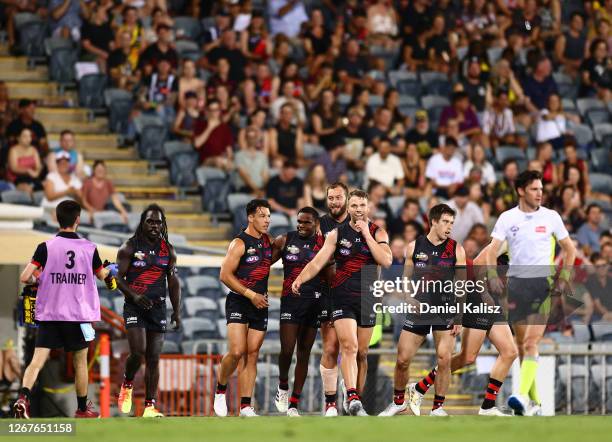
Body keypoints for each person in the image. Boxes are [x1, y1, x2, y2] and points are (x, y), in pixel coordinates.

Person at [292, 189, 392, 416]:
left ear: (368, 208)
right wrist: (300, 278)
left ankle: (355, 398)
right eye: (354, 206)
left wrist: (366, 234)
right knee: (349, 346)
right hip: (342, 295)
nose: (358, 210)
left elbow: (386, 260)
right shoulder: (336, 234)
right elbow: (318, 262)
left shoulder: (378, 232)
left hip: (368, 296)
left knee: (362, 353)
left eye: (362, 206)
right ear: (349, 208)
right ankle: (353, 397)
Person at [13, 200, 116, 419]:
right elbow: (103, 275)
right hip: (77, 316)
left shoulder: (46, 247)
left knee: (37, 360)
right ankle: (81, 409)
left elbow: (24, 277)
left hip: (50, 314)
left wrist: (41, 280)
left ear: (57, 219)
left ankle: (23, 398)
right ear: (78, 219)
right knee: (80, 363)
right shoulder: (89, 249)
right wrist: (111, 270)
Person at [486, 170, 575, 416]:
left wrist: (564, 277)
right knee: (522, 347)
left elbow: (570, 250)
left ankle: (521, 395)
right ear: (521, 191)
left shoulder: (551, 217)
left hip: (542, 285)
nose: (540, 193)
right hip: (516, 285)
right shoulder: (507, 218)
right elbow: (492, 251)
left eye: (541, 189)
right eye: (535, 189)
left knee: (531, 342)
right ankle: (535, 403)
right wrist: (493, 276)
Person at [408, 240, 518, 416]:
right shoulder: (506, 242)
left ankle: (488, 406)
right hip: (478, 296)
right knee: (468, 357)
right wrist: (484, 293)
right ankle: (419, 387)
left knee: (510, 352)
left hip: (493, 300)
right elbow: (477, 265)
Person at [379, 204, 465, 417]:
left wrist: (460, 315)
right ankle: (399, 402)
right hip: (419, 310)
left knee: (444, 358)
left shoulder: (457, 249)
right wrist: (409, 297)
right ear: (433, 221)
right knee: (402, 359)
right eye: (445, 221)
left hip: (445, 309)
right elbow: (406, 279)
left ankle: (438, 407)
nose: (449, 227)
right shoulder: (414, 247)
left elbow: (462, 284)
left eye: (452, 223)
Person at [116, 204, 181, 418]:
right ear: (142, 223)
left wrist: (177, 311)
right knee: (138, 352)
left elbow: (173, 283)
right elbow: (117, 277)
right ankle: (127, 382)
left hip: (158, 309)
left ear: (163, 224)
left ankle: (150, 406)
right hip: (134, 306)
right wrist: (134, 296)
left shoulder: (168, 250)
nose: (154, 226)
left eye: (158, 222)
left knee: (153, 357)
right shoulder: (129, 247)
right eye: (150, 221)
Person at [214, 199, 272, 417]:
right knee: (237, 351)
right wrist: (251, 295)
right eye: (262, 216)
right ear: (250, 217)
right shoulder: (239, 243)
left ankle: (246, 406)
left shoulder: (269, 242)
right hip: (240, 300)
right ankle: (220, 389)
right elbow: (224, 275)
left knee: (252, 353)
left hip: (261, 303)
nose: (267, 220)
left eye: (268, 216)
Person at [272, 207, 331, 416]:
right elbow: (264, 262)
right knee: (287, 350)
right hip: (290, 301)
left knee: (303, 353)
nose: (301, 225)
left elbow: (331, 275)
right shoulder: (285, 240)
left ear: (316, 224)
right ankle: (282, 386)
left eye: (306, 222)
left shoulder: (324, 245)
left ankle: (294, 405)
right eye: (299, 221)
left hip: (314, 303)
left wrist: (329, 305)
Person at [314, 182, 351, 417]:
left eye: (338, 198)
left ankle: (352, 394)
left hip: (357, 292)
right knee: (330, 347)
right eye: (331, 198)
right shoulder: (321, 224)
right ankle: (330, 404)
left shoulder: (359, 223)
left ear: (347, 198)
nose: (334, 202)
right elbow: (318, 259)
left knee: (359, 351)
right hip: (328, 291)